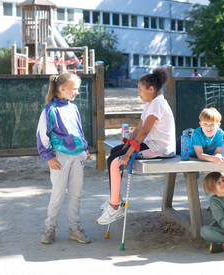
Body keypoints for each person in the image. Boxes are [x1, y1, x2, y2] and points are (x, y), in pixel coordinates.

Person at [97, 67, 176, 225]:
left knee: (116, 161)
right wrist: (125, 147)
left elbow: (145, 132)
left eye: (140, 90)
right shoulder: (150, 103)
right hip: (152, 144)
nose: (138, 93)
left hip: (159, 148)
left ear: (151, 89)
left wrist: (127, 155)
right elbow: (138, 129)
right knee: (114, 152)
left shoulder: (158, 103)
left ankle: (115, 207)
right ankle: (115, 197)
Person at [37, 73, 91, 245]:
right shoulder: (50, 110)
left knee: (76, 194)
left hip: (78, 156)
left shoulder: (73, 108)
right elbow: (41, 136)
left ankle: (75, 229)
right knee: (58, 194)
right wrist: (48, 157)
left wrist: (85, 148)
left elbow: (78, 130)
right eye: (74, 89)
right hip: (60, 158)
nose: (77, 92)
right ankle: (50, 228)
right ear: (62, 89)